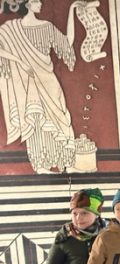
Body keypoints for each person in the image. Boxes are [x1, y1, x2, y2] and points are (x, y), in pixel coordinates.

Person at [0, 0, 87, 173]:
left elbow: (67, 42)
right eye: (35, 1)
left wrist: (72, 10)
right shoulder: (10, 29)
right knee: (36, 120)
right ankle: (41, 166)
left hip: (49, 80)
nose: (40, 3)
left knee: (60, 117)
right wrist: (19, 61)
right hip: (28, 82)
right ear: (27, 4)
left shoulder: (46, 26)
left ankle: (67, 163)